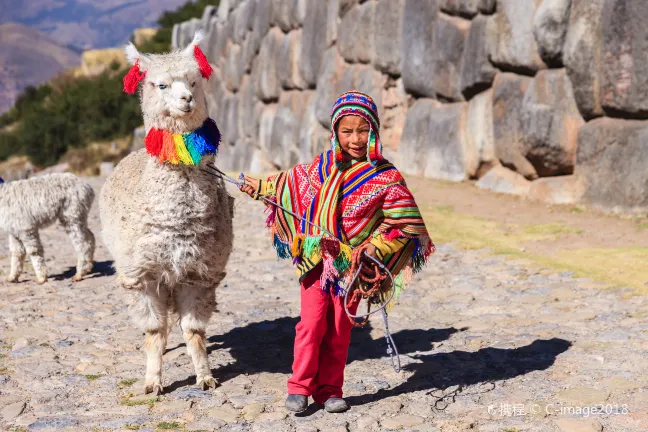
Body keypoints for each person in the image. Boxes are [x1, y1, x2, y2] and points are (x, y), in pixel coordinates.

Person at [240, 90, 434, 413]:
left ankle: (330, 388)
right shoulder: (322, 167)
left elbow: (404, 225)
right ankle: (300, 386)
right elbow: (289, 182)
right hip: (317, 259)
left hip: (353, 268)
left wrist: (375, 244)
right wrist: (259, 187)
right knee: (313, 323)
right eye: (347, 131)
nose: (355, 139)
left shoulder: (386, 177)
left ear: (373, 130)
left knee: (341, 327)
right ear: (335, 132)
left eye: (363, 130)